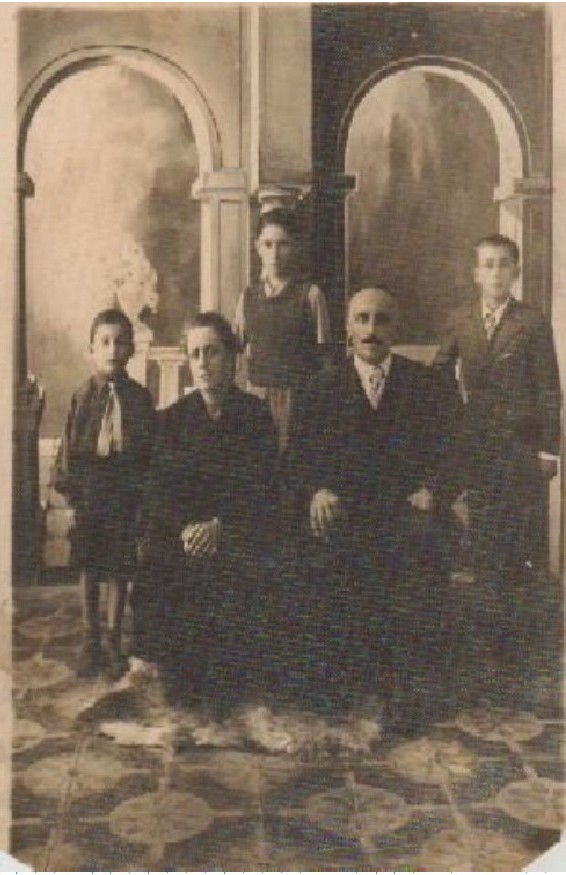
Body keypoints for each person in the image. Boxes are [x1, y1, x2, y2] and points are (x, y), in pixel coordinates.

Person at [284, 287, 460, 732]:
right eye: (362, 319)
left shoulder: (426, 386)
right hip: (345, 513)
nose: (371, 330)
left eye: (382, 319)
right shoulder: (320, 388)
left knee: (422, 550)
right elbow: (296, 460)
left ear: (395, 328)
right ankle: (343, 682)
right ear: (347, 328)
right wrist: (316, 492)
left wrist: (434, 489)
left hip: (404, 511)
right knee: (322, 560)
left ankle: (406, 688)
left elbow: (456, 451)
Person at [432, 233, 562, 699]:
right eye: (487, 264)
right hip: (477, 449)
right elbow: (438, 374)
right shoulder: (461, 320)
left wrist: (549, 451)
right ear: (475, 273)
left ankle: (521, 650)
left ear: (516, 272)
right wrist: (451, 423)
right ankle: (485, 648)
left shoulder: (532, 323)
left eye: (504, 264)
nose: (495, 273)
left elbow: (549, 389)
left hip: (521, 450)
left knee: (521, 545)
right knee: (484, 541)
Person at [136, 312, 278, 717]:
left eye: (212, 352)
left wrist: (221, 526)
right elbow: (158, 488)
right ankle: (181, 672)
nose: (202, 363)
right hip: (185, 534)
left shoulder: (256, 415)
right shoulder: (172, 419)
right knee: (162, 561)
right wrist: (186, 527)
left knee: (248, 564)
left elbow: (265, 486)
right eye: (195, 354)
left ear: (231, 358)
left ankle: (232, 675)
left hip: (237, 529)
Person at [53, 309, 155, 680]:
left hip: (124, 489)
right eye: (105, 342)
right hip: (91, 490)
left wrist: (144, 495)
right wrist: (71, 491)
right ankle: (90, 637)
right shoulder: (83, 397)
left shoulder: (140, 398)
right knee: (89, 564)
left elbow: (149, 450)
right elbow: (70, 446)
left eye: (120, 342)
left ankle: (112, 639)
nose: (112, 350)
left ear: (132, 349)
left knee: (119, 565)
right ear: (92, 349)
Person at [233, 208, 332, 453]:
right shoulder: (248, 297)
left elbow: (325, 361)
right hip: (257, 397)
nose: (275, 254)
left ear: (295, 247)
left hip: (299, 400)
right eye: (268, 245)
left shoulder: (311, 296)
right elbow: (235, 352)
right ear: (257, 247)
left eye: (283, 244)